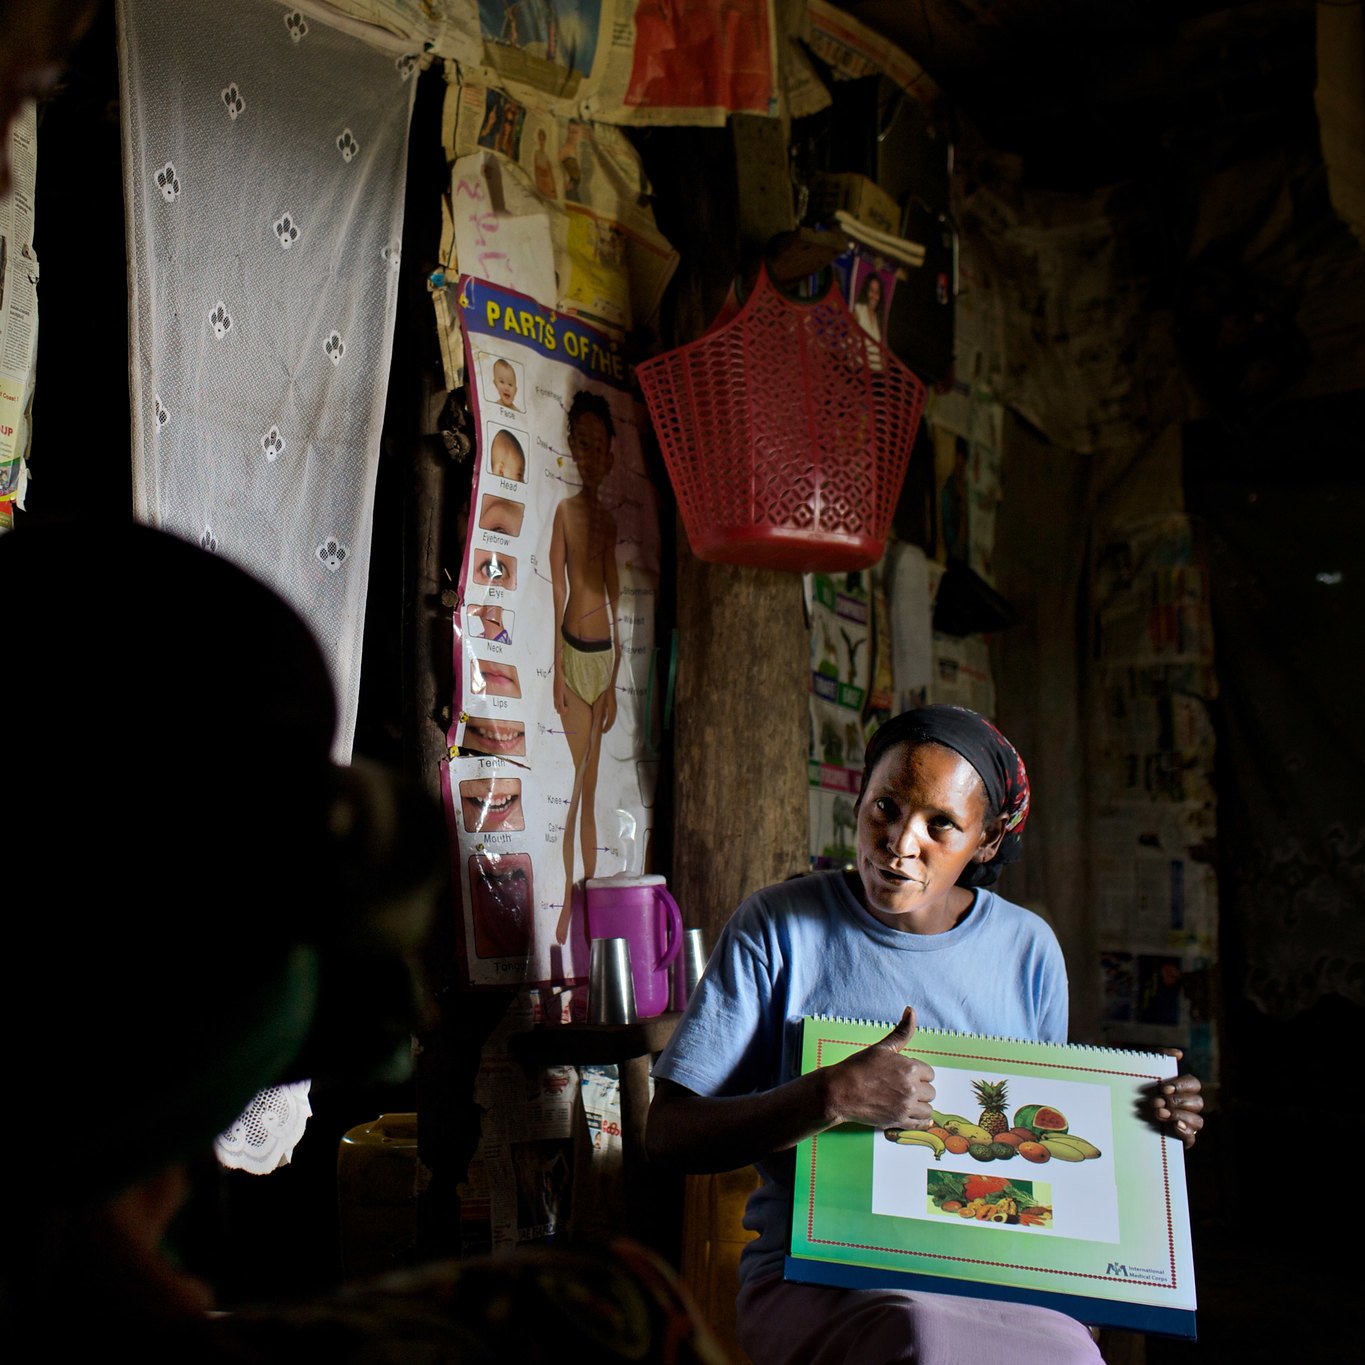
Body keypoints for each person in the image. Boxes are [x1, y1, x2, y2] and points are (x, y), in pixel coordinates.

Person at [648, 705, 1203, 1365]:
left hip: (998, 1271)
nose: (900, 841)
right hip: (817, 1272)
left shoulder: (1026, 948)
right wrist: (824, 1096)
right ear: (858, 798)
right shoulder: (777, 926)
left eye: (941, 823)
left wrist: (1146, 1122)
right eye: (884, 805)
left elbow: (1040, 1147)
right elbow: (667, 1136)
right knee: (919, 1338)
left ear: (988, 839)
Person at [550, 389, 620, 942]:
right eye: (583, 445)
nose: (591, 456)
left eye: (600, 447)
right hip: (574, 655)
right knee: (576, 788)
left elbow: (616, 607)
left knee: (591, 791)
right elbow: (557, 591)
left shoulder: (608, 523)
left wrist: (616, 683)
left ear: (610, 456)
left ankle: (590, 908)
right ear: (572, 449)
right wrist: (556, 672)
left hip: (604, 663)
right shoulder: (565, 513)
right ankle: (570, 906)